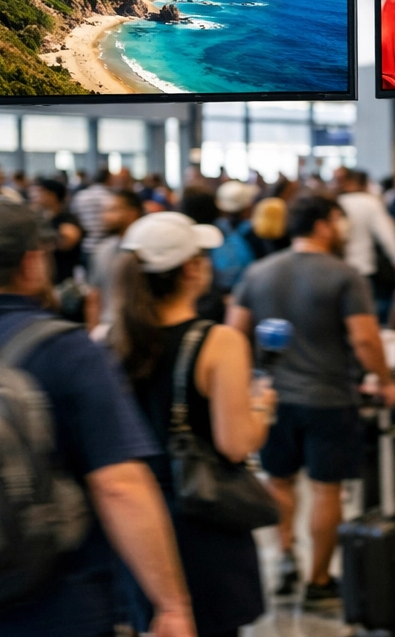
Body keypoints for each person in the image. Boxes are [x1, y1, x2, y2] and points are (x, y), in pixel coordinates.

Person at [0, 197, 195, 637]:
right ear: (31, 263)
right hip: (55, 609)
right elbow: (119, 485)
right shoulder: (68, 351)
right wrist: (171, 604)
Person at [227, 193, 395, 608]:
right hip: (328, 399)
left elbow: (233, 334)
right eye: (338, 221)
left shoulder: (258, 272)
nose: (342, 229)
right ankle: (318, 580)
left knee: (279, 481)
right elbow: (364, 339)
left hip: (272, 399)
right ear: (322, 225)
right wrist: (386, 381)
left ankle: (285, 557)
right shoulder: (345, 276)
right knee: (327, 489)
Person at [112, 212, 275, 637]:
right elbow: (235, 443)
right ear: (191, 269)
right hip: (199, 521)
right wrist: (262, 409)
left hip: (130, 523)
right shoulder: (218, 343)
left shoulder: (106, 340)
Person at [335, 168, 395, 324]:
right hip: (363, 267)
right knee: (366, 314)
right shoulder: (370, 203)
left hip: (337, 266)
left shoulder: (335, 202)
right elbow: (387, 235)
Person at [87, 189, 143, 330]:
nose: (105, 216)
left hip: (139, 329)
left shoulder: (147, 250)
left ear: (132, 213)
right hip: (107, 328)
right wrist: (93, 331)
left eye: (113, 210)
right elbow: (94, 297)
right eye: (104, 211)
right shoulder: (102, 250)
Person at [31, 178, 84, 285]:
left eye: (41, 192)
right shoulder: (42, 218)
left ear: (52, 195)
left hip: (63, 280)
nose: (35, 196)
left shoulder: (67, 219)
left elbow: (67, 241)